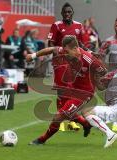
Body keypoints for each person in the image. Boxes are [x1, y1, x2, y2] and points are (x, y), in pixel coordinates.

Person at [26, 35, 107, 145]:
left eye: (67, 52)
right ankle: (86, 124)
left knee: (59, 116)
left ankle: (42, 140)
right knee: (66, 112)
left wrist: (96, 80)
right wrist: (33, 55)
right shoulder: (67, 51)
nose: (65, 55)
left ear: (75, 49)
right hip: (72, 89)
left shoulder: (89, 59)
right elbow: (52, 49)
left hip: (84, 93)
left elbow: (103, 71)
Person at [47, 2, 86, 131]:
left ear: (72, 13)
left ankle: (70, 120)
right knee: (62, 91)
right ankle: (62, 122)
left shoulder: (78, 26)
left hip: (74, 63)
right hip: (60, 63)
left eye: (69, 12)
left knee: (73, 92)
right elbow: (51, 43)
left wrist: (89, 53)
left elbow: (80, 43)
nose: (67, 14)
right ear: (62, 13)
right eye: (65, 12)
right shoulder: (56, 25)